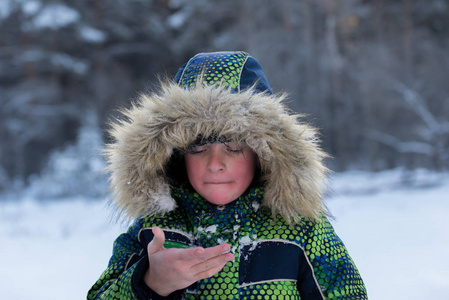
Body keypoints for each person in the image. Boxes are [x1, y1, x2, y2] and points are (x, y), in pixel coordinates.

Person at [88, 51, 367, 299]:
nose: (215, 163)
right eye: (198, 146)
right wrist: (149, 283)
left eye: (233, 145)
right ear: (175, 154)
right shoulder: (153, 231)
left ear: (264, 152)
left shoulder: (302, 229)